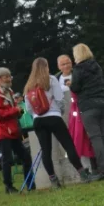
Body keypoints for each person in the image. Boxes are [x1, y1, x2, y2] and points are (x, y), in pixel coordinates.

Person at [24, 58, 85, 187]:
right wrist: (60, 111)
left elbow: (29, 108)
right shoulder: (51, 79)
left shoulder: (29, 85)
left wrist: (37, 114)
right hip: (53, 117)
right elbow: (59, 98)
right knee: (68, 144)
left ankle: (53, 180)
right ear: (46, 66)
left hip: (38, 120)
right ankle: (83, 173)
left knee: (46, 151)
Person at [68, 44, 104, 180]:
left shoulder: (78, 69)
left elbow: (76, 88)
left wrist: (70, 84)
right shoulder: (97, 67)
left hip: (89, 106)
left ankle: (103, 169)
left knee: (96, 138)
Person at [0, 67, 33, 194]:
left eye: (9, 76)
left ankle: (30, 183)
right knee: (7, 160)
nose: (9, 79)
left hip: (13, 130)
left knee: (25, 156)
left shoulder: (10, 91)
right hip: (3, 132)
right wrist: (15, 110)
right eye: (6, 77)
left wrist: (18, 112)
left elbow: (11, 109)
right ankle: (8, 186)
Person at [57, 54, 95, 173]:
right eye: (63, 64)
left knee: (85, 137)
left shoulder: (78, 74)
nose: (66, 65)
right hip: (66, 114)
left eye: (68, 62)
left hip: (81, 110)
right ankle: (78, 166)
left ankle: (93, 164)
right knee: (71, 139)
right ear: (59, 66)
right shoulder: (55, 79)